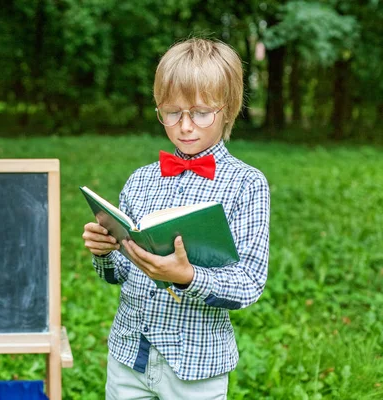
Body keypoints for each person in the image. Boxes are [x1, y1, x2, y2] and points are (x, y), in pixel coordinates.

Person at [81, 38, 270, 399]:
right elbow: (119, 274)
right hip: (128, 358)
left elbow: (248, 283)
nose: (185, 126)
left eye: (200, 112)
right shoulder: (140, 180)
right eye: (172, 112)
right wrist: (105, 252)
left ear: (228, 110)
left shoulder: (247, 184)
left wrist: (188, 278)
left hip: (195, 367)